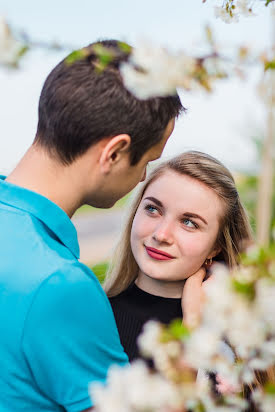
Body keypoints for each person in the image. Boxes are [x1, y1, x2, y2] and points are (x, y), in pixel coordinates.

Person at [0, 39, 183, 412]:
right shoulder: (58, 285)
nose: (142, 177)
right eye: (147, 160)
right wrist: (195, 333)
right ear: (114, 153)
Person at [105, 151, 253, 362]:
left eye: (189, 223)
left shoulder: (239, 338)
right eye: (153, 209)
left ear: (216, 247)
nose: (161, 234)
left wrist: (193, 323)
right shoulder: (94, 315)